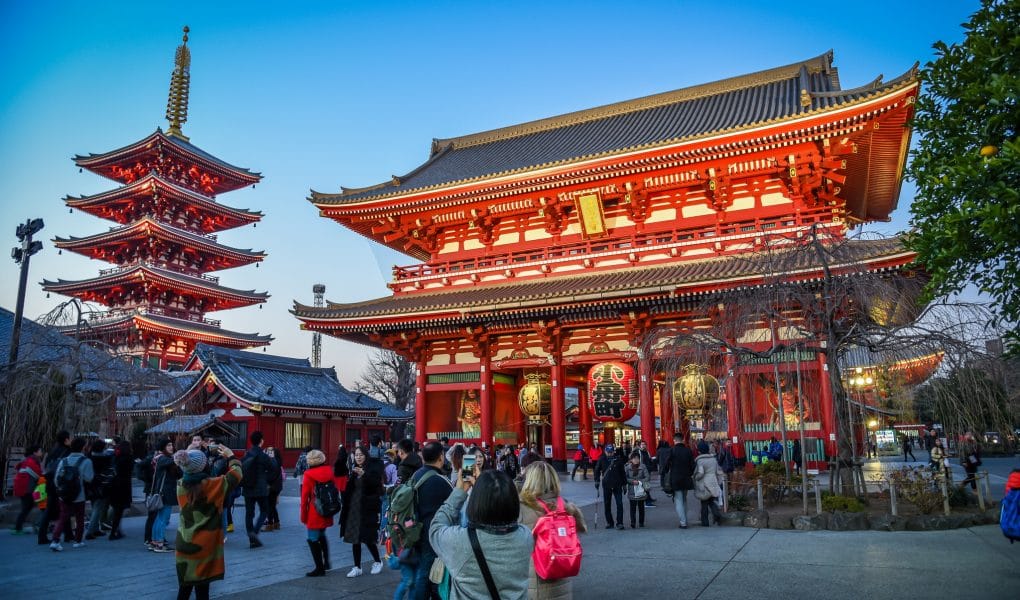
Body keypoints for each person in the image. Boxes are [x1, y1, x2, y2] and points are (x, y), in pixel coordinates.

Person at [429, 468, 532, 600]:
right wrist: (484, 491)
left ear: (475, 503)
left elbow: (435, 529)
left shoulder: (460, 541)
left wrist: (460, 492)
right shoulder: (525, 537)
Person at [174, 443, 242, 600]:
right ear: (204, 467)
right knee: (203, 590)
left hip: (184, 542)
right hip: (206, 544)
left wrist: (190, 451)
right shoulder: (214, 485)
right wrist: (231, 455)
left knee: (184, 587)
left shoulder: (180, 485)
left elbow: (190, 468)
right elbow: (237, 474)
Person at [518, 461, 587, 599]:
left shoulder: (523, 509)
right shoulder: (565, 506)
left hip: (536, 585)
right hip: (563, 584)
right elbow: (582, 529)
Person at [412, 441, 454, 600]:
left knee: (423, 569)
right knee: (429, 572)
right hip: (434, 533)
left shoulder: (416, 475)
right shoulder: (440, 480)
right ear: (441, 457)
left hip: (417, 528)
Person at [340, 446, 385, 577]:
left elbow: (375, 484)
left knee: (367, 537)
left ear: (366, 455)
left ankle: (377, 561)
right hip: (354, 508)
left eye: (361, 455)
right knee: (354, 538)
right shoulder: (354, 470)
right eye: (356, 455)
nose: (358, 457)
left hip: (367, 508)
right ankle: (357, 566)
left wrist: (364, 475)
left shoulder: (372, 469)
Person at [50, 437, 94, 551]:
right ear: (83, 447)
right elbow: (89, 478)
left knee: (63, 517)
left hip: (64, 495)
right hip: (79, 495)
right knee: (80, 518)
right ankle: (78, 541)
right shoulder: (86, 461)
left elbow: (56, 480)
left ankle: (55, 540)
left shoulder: (63, 461)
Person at [299, 449, 335, 577]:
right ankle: (326, 563)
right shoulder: (329, 471)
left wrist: (303, 516)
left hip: (314, 511)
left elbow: (304, 499)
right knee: (322, 535)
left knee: (312, 539)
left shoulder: (308, 475)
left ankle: (319, 568)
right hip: (326, 509)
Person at [37, 430, 72, 545]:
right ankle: (68, 535)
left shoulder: (52, 451)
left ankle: (42, 536)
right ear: (66, 439)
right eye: (70, 438)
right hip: (61, 484)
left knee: (48, 511)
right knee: (65, 508)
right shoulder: (67, 451)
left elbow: (46, 467)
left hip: (50, 484)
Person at [242, 431, 274, 548]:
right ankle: (254, 532)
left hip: (248, 487)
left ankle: (251, 539)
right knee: (264, 510)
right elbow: (273, 468)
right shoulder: (263, 455)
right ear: (261, 441)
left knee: (249, 513)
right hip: (260, 487)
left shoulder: (246, 455)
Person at [150, 437, 180, 553]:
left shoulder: (161, 458)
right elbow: (174, 461)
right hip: (165, 493)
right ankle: (159, 543)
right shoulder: (162, 458)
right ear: (163, 448)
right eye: (168, 445)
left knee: (160, 518)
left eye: (171, 445)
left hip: (163, 492)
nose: (171, 447)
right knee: (163, 518)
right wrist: (183, 454)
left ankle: (155, 541)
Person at [663, 433, 695, 529]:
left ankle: (683, 522)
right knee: (684, 499)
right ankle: (685, 520)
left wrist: (664, 472)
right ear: (683, 439)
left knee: (678, 500)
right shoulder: (688, 451)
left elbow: (666, 465)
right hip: (686, 478)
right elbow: (693, 465)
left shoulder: (672, 450)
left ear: (674, 440)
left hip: (675, 478)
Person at [11, 444, 43, 535]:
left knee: (27, 507)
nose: (41, 452)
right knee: (27, 507)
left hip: (23, 488)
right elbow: (39, 474)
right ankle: (18, 528)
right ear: (35, 452)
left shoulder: (29, 460)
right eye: (40, 450)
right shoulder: (31, 462)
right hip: (26, 488)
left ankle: (18, 527)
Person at [594, 443, 626, 530]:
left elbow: (622, 473)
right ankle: (609, 522)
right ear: (605, 451)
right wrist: (596, 480)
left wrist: (624, 484)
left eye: (611, 452)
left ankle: (620, 523)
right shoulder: (602, 459)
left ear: (613, 451)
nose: (609, 454)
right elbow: (597, 470)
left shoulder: (618, 459)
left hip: (617, 484)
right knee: (607, 504)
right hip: (606, 485)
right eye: (608, 452)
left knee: (619, 504)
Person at [85, 439, 113, 540]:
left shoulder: (88, 457)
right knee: (98, 508)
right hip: (102, 485)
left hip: (90, 485)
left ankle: (96, 529)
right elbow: (110, 471)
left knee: (94, 506)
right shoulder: (106, 458)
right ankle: (90, 531)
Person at [106, 440, 133, 541]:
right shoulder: (129, 458)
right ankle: (114, 531)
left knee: (116, 509)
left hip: (115, 484)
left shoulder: (116, 457)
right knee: (119, 510)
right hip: (124, 485)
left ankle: (116, 530)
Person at [693, 441, 723, 527]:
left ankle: (705, 522)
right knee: (711, 501)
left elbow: (700, 473)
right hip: (713, 482)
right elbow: (718, 471)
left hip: (704, 484)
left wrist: (695, 477)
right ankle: (717, 515)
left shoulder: (700, 461)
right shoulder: (713, 459)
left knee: (704, 503)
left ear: (699, 451)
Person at [625, 450, 650, 528]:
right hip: (632, 490)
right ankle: (633, 522)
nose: (636, 460)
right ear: (631, 460)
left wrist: (639, 482)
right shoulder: (627, 467)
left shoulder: (643, 466)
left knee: (641, 507)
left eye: (637, 458)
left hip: (641, 489)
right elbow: (625, 478)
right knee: (632, 508)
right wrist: (632, 481)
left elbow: (647, 477)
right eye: (634, 458)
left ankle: (641, 522)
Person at [264, 446, 284, 531]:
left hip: (271, 487)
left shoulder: (272, 463)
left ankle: (270, 524)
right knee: (272, 505)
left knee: (269, 505)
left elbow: (270, 476)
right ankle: (276, 522)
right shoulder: (277, 462)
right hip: (276, 486)